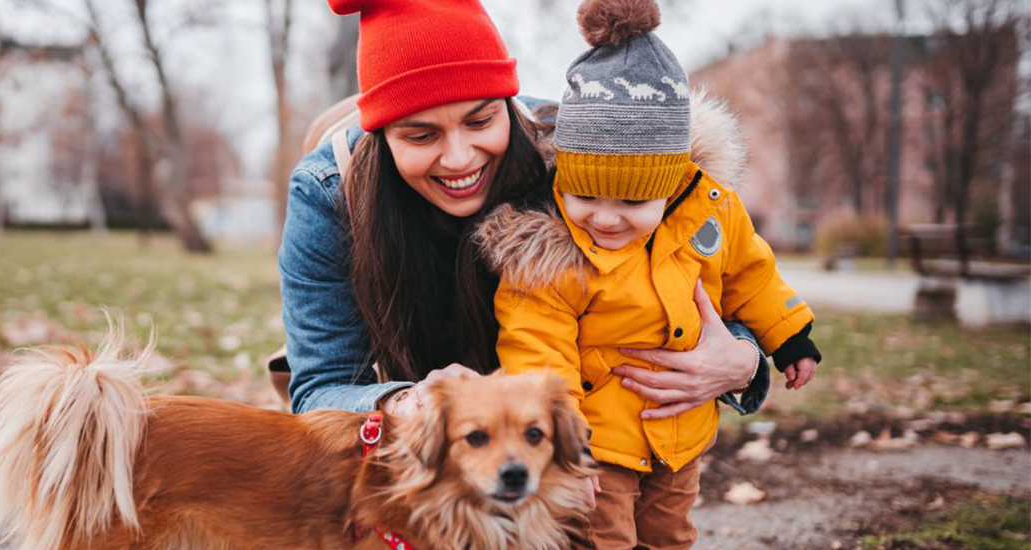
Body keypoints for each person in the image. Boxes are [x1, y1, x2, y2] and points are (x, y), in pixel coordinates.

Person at [279, 0, 769, 422]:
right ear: (381, 137)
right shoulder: (327, 194)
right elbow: (320, 387)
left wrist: (744, 361)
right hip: (422, 445)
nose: (459, 159)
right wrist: (404, 402)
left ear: (509, 102)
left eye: (481, 119)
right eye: (421, 135)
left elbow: (702, 281)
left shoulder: (578, 153)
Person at [478, 1, 822, 548]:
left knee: (672, 536)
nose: (606, 217)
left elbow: (752, 274)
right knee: (603, 539)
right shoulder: (547, 255)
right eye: (584, 193)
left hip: (679, 437)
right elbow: (538, 354)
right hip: (600, 449)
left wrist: (789, 336)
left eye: (634, 200)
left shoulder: (709, 212)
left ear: (670, 184)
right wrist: (566, 444)